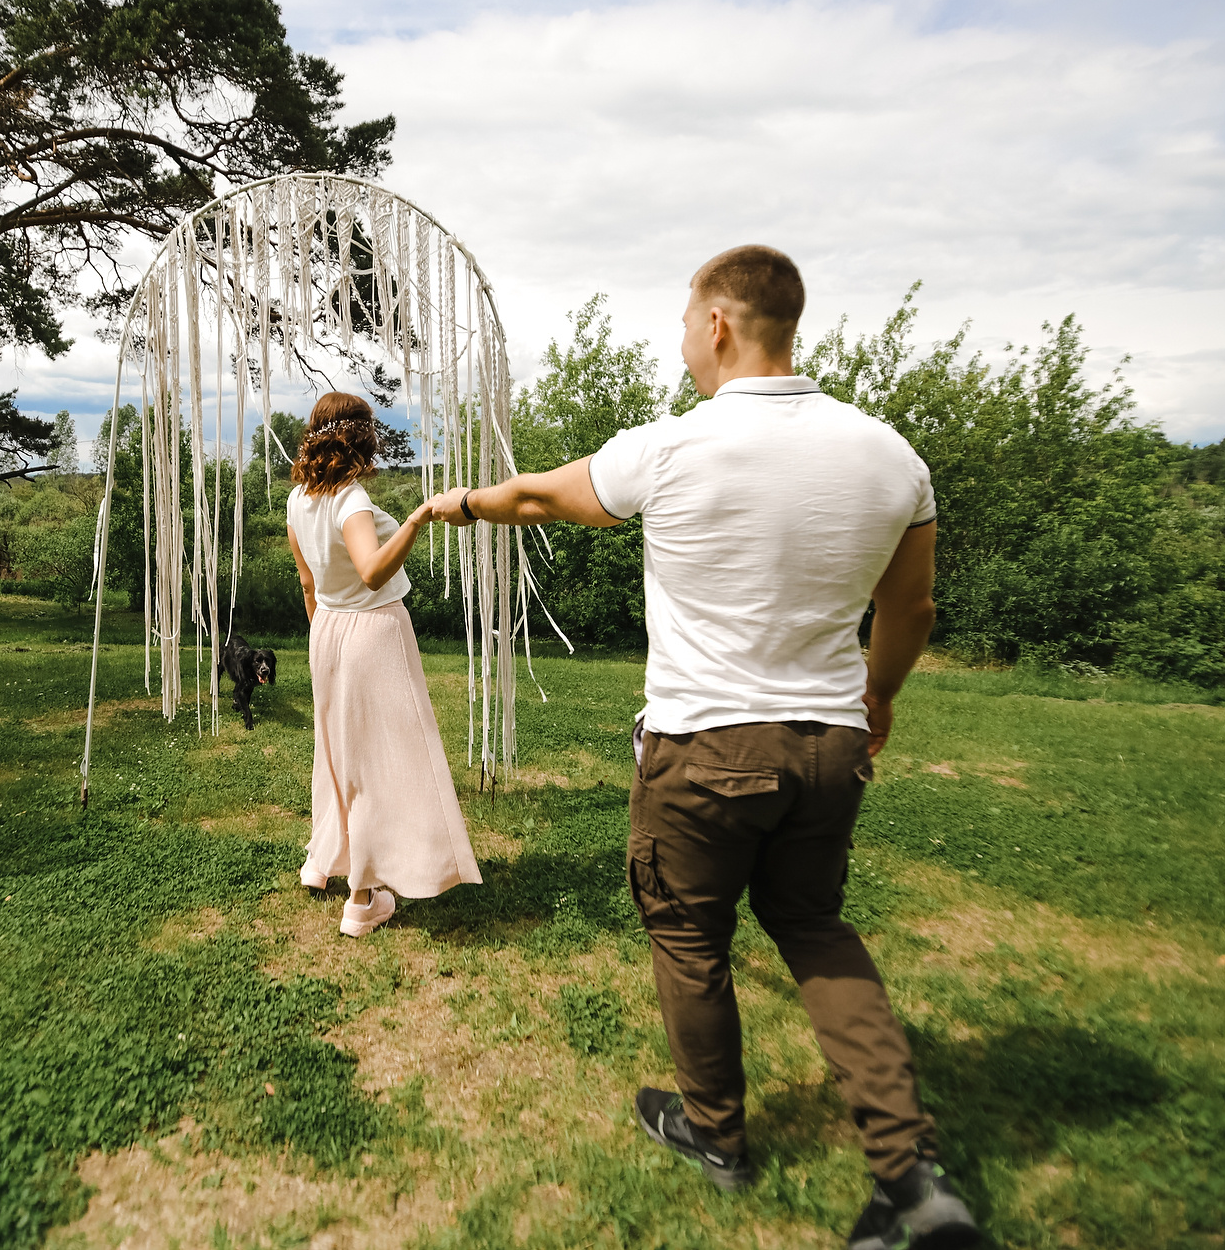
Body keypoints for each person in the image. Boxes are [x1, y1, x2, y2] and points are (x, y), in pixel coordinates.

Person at [429, 247, 979, 1250]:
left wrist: (453, 502)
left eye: (686, 322)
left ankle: (715, 1135)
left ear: (720, 324)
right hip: (828, 746)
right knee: (813, 927)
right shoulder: (891, 457)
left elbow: (539, 497)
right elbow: (911, 607)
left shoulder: (670, 447)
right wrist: (879, 700)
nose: (682, 341)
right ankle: (908, 1179)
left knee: (689, 938)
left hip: (704, 750)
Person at [286, 391, 483, 938]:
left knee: (338, 755)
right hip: (372, 631)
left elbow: (309, 582)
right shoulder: (349, 500)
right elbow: (372, 571)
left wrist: (322, 638)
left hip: (325, 630)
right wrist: (418, 518)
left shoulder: (297, 500)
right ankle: (362, 897)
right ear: (362, 438)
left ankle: (321, 860)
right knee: (379, 760)